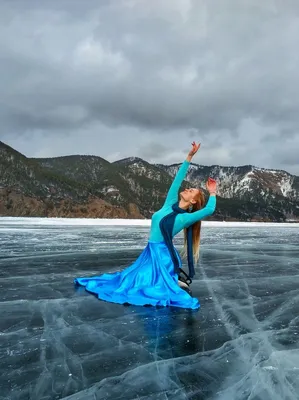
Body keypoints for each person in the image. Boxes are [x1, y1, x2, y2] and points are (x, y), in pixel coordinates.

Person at [74, 142, 217, 309]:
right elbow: (176, 182)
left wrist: (212, 192)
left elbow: (209, 208)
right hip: (150, 251)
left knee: (143, 286)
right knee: (128, 279)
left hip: (162, 256)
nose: (188, 189)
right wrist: (190, 157)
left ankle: (171, 279)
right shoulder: (169, 204)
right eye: (190, 188)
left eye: (192, 191)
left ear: (193, 201)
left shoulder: (185, 217)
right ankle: (172, 280)